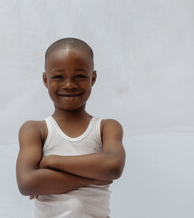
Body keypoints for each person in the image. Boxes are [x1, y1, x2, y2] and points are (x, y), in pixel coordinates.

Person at [16, 37, 126, 218]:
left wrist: (52, 162)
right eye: (59, 77)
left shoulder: (107, 127)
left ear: (93, 78)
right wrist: (95, 177)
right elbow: (27, 183)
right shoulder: (35, 130)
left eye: (80, 76)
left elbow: (113, 167)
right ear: (45, 79)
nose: (69, 84)